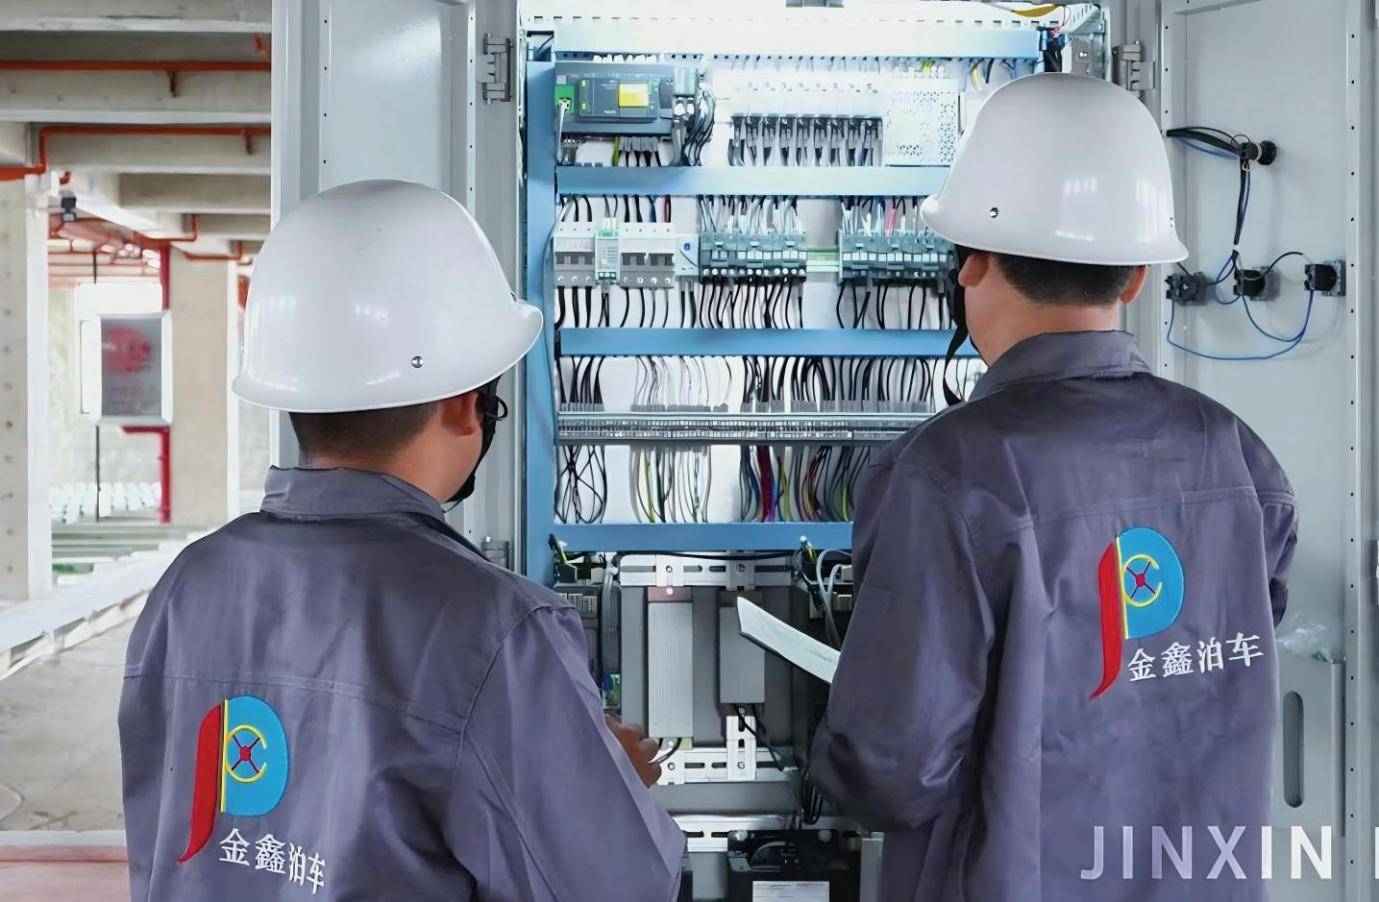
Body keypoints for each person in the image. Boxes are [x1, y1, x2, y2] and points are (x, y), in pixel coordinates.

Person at [119, 180, 686, 900]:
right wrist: (603, 789)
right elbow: (614, 887)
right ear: (467, 403)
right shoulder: (495, 625)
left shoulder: (189, 583)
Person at [810, 74, 1297, 901]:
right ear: (1135, 276)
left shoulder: (948, 472)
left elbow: (891, 770)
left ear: (969, 263)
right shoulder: (1237, 453)